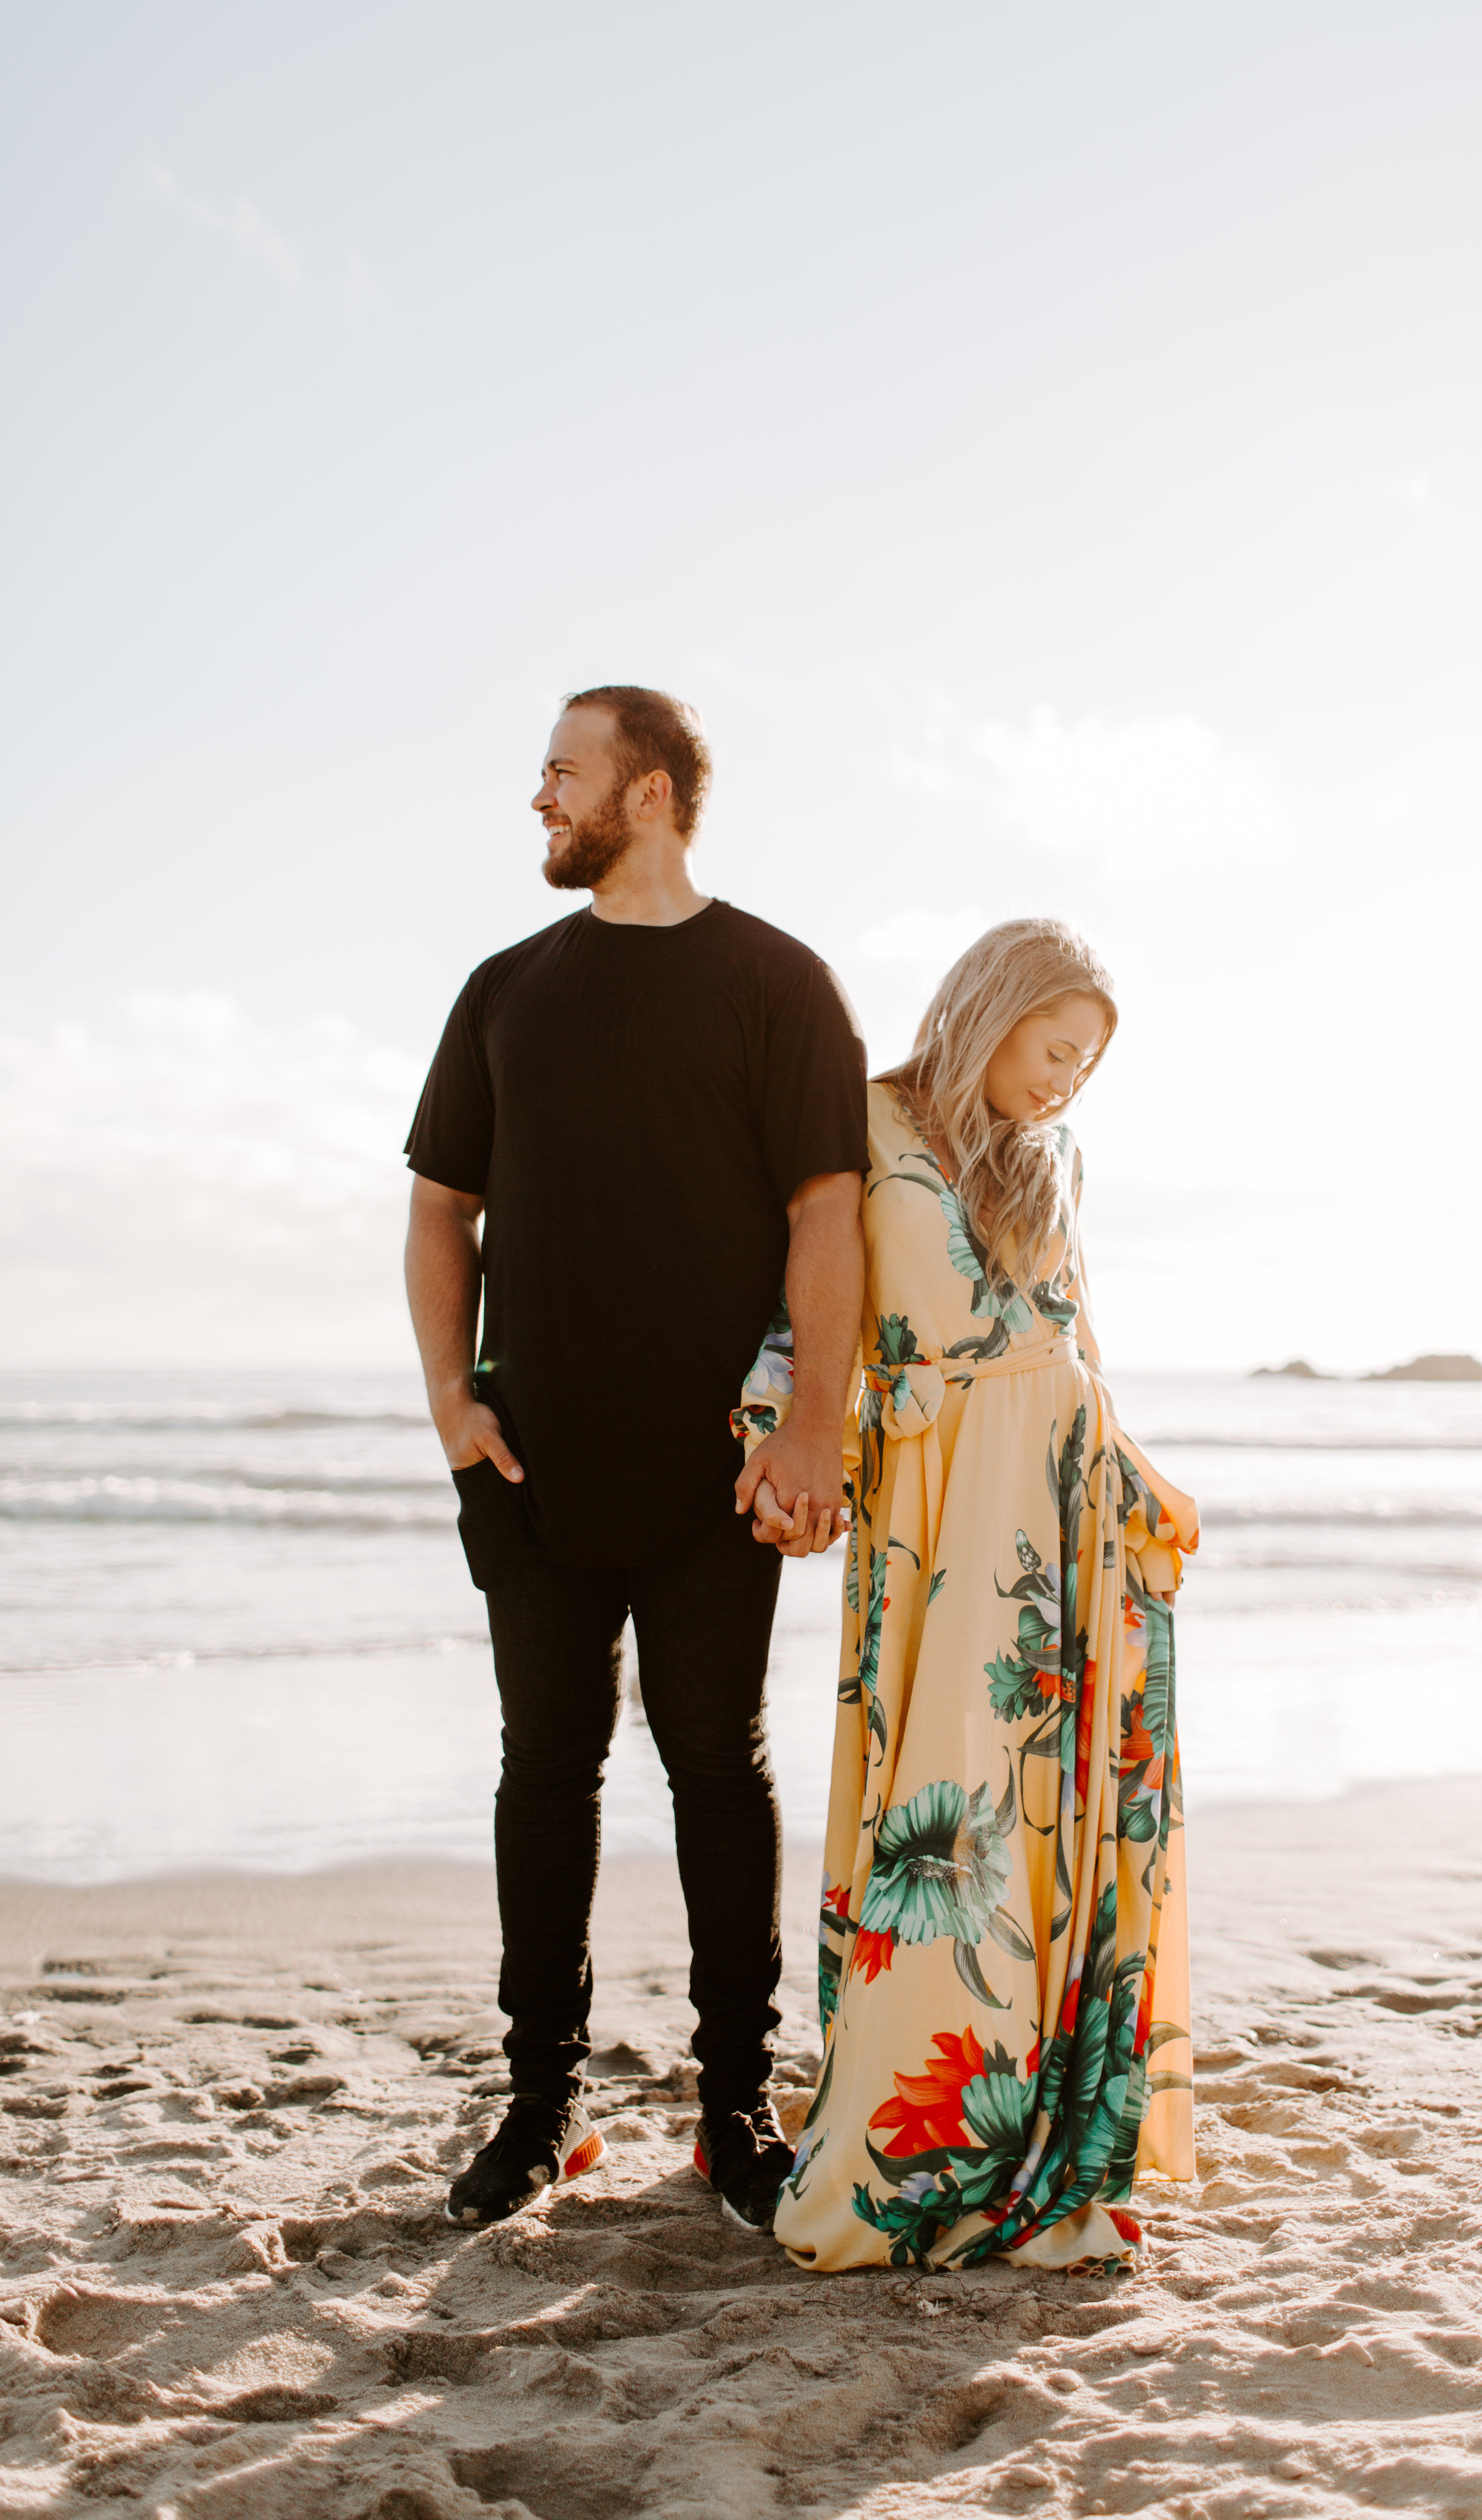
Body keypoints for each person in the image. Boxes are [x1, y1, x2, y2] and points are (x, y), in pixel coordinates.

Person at [404, 685, 866, 2232]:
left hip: (712, 1473)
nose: (538, 797)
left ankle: (730, 2104)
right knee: (545, 1775)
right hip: (530, 1463)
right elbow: (436, 1211)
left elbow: (826, 1212)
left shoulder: (775, 981)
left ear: (649, 792)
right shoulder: (503, 989)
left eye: (561, 771)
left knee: (713, 1770)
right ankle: (540, 2108)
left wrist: (809, 1427)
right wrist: (449, 1406)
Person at [734, 919, 1199, 2269]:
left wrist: (1141, 1473)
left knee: (1044, 1823)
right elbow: (799, 1305)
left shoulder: (1046, 1164)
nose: (1061, 1084)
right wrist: (775, 1435)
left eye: (1084, 1066)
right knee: (942, 1826)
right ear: (988, 1009)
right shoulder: (866, 1122)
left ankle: (1041, 2141)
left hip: (1063, 1505)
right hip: (939, 1512)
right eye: (1051, 1049)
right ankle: (902, 2147)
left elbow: (1071, 1339)